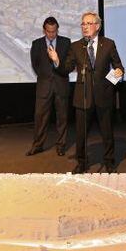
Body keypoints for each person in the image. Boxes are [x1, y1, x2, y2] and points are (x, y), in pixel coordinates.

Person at [48, 12, 125, 173]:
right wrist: (56, 60)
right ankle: (81, 162)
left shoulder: (108, 44)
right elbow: (66, 68)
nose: (85, 27)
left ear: (97, 26)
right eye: (83, 24)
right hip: (82, 96)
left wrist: (116, 75)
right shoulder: (76, 46)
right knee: (81, 134)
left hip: (103, 94)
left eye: (89, 23)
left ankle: (109, 162)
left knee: (107, 131)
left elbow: (118, 66)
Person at [26, 17, 71, 157]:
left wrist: (57, 65)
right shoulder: (37, 44)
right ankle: (37, 145)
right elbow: (36, 65)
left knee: (62, 117)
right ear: (44, 30)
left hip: (61, 85)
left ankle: (61, 146)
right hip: (44, 87)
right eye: (49, 31)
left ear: (57, 29)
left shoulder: (66, 42)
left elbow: (68, 64)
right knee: (40, 117)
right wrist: (46, 77)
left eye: (54, 31)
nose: (51, 34)